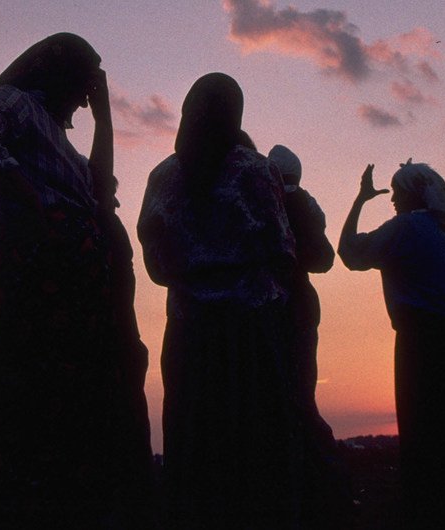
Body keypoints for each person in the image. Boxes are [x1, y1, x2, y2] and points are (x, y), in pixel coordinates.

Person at [0, 33, 153, 529]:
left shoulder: (59, 141)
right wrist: (33, 206)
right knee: (28, 407)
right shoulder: (14, 103)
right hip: (28, 282)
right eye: (85, 87)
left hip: (71, 290)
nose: (85, 99)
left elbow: (100, 190)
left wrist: (105, 120)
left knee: (73, 414)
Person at [138, 73, 302, 529]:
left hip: (189, 332)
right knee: (255, 443)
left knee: (196, 443)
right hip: (249, 330)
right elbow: (282, 250)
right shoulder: (256, 169)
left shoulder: (162, 176)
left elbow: (155, 264)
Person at [337, 160, 445, 526]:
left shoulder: (405, 227)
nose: (393, 200)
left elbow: (349, 253)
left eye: (396, 192)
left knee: (424, 427)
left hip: (421, 339)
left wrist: (360, 200)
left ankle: (428, 507)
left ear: (412, 194)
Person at [267, 145, 353, 527]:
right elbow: (324, 258)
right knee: (299, 398)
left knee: (289, 401)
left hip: (280, 306)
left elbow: (322, 257)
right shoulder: (307, 204)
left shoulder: (274, 200)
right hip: (297, 305)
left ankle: (320, 489)